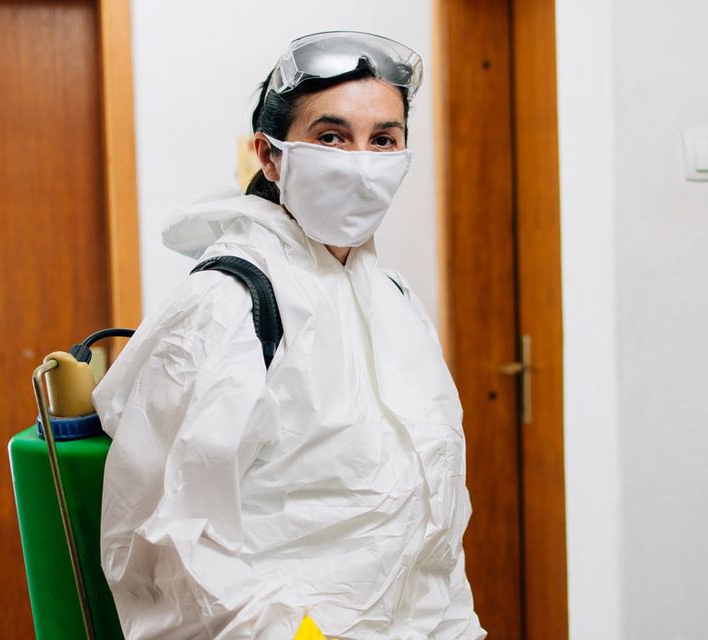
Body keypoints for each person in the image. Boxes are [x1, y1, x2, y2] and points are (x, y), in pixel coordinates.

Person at [93, 31, 486, 639]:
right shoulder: (229, 306)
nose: (360, 163)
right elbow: (173, 546)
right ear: (269, 156)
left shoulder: (395, 302)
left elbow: (433, 527)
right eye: (331, 137)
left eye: (383, 140)